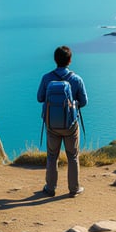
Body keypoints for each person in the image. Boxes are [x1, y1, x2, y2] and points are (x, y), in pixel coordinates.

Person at [37, 44, 88, 197]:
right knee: (72, 156)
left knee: (52, 156)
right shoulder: (76, 79)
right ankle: (74, 189)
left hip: (52, 124)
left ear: (55, 60)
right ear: (70, 60)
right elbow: (84, 102)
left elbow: (39, 98)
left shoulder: (47, 78)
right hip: (71, 125)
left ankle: (50, 188)